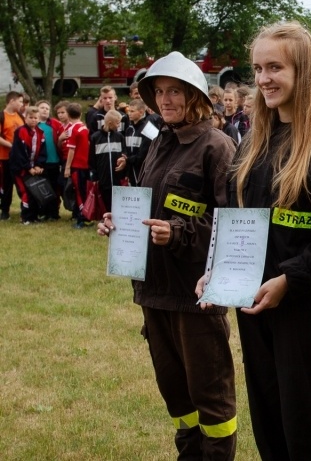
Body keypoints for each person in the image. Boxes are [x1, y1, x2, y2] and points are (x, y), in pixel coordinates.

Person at [198, 22, 311, 460]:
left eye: (275, 67)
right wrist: (219, 271)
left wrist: (291, 278)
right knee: (271, 427)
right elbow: (237, 221)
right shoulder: (253, 141)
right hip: (256, 308)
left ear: (303, 71)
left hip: (305, 311)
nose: (264, 78)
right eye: (258, 68)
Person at [97, 51, 238, 459]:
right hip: (153, 292)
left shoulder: (218, 147)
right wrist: (118, 220)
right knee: (177, 399)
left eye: (175, 91)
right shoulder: (160, 143)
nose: (165, 100)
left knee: (211, 402)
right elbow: (150, 207)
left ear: (195, 96)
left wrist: (177, 233)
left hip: (195, 298)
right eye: (159, 92)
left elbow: (234, 224)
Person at [9, 106, 45, 224]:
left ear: (39, 119)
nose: (33, 120)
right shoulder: (20, 132)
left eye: (36, 118)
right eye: (31, 117)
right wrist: (28, 167)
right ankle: (25, 217)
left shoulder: (40, 132)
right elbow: (18, 153)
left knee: (34, 191)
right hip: (20, 169)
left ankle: (34, 216)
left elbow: (42, 151)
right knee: (25, 192)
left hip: (33, 167)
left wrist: (39, 165)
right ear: (25, 118)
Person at [89, 109, 127, 211]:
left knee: (118, 200)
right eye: (118, 123)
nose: (119, 126)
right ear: (110, 123)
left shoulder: (119, 137)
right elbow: (92, 159)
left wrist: (124, 159)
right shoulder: (95, 138)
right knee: (105, 199)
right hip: (103, 177)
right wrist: (94, 176)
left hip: (117, 177)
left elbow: (124, 153)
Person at [63, 102, 91, 228]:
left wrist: (67, 167)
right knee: (84, 190)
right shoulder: (84, 128)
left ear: (68, 115)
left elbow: (71, 149)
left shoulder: (73, 129)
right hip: (86, 164)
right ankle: (84, 215)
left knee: (79, 192)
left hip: (77, 165)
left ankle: (81, 218)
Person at [37, 100, 63, 220]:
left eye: (47, 108)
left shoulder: (55, 124)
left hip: (54, 161)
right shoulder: (34, 124)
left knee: (54, 188)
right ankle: (43, 212)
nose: (45, 110)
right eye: (42, 108)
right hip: (40, 163)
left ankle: (54, 213)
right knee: (42, 188)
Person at [0, 91, 25, 220]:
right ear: (12, 101)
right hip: (5, 157)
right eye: (20, 101)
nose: (22, 104)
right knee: (6, 185)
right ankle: (4, 211)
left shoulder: (20, 116)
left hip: (19, 158)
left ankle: (25, 209)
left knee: (22, 184)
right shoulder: (2, 116)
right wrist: (11, 145)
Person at [124, 99, 156, 187]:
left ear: (141, 112)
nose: (129, 114)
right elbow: (126, 151)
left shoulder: (149, 129)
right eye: (128, 111)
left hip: (144, 172)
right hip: (131, 172)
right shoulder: (129, 129)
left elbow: (143, 156)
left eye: (132, 111)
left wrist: (127, 160)